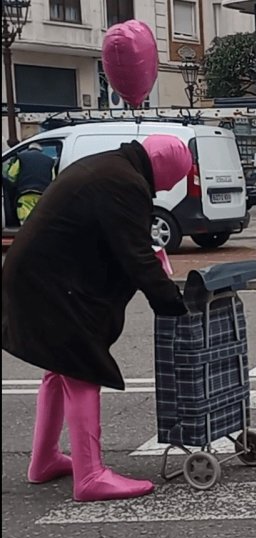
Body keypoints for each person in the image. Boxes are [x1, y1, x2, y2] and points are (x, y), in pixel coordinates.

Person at [2, 135, 191, 501]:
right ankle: (89, 475)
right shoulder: (124, 181)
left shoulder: (109, 166)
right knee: (83, 366)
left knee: (59, 368)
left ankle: (43, 460)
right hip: (49, 283)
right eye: (172, 178)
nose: (168, 186)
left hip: (34, 276)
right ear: (162, 166)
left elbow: (117, 240)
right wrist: (172, 303)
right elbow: (134, 254)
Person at [4, 143, 57, 225]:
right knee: (39, 219)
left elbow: (11, 175)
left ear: (29, 149)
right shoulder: (49, 160)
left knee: (25, 221)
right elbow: (53, 179)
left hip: (25, 193)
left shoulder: (21, 157)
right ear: (41, 151)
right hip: (42, 195)